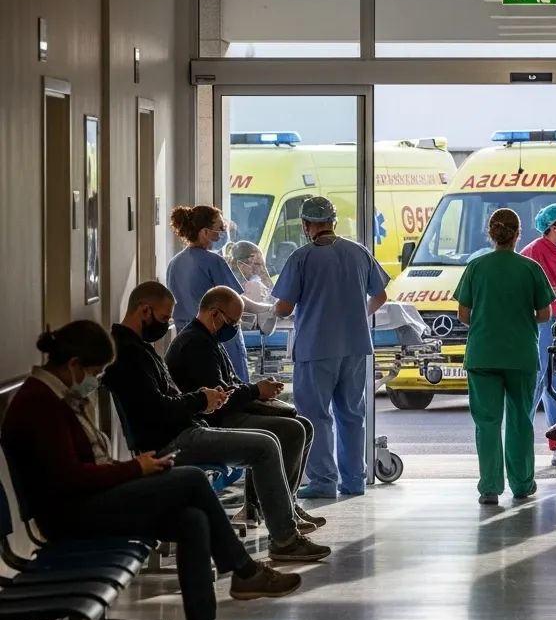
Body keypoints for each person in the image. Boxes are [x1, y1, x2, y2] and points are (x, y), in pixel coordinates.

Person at [1, 321, 302, 620]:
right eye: (95, 373)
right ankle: (244, 571)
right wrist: (134, 469)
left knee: (191, 520)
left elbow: (84, 468)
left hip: (89, 501)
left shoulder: (56, 396)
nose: (95, 382)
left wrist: (132, 469)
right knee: (191, 480)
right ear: (73, 366)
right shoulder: (40, 404)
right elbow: (71, 478)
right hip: (73, 515)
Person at [104, 281, 330, 563]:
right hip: (173, 441)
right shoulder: (130, 355)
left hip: (189, 428)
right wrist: (201, 400)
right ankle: (284, 537)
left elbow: (170, 398)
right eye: (163, 318)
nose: (166, 325)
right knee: (267, 445)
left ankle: (281, 523)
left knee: (277, 437)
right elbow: (158, 409)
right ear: (144, 310)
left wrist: (201, 399)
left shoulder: (142, 348)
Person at [165, 286, 325, 534]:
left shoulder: (210, 340)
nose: (235, 327)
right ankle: (278, 514)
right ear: (214, 313)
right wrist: (255, 392)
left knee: (304, 426)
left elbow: (230, 384)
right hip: (214, 420)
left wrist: (257, 388)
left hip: (226, 413)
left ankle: (286, 502)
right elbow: (219, 398)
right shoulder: (196, 345)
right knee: (291, 430)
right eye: (232, 321)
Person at [273, 196, 389, 499]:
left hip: (316, 348)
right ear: (333, 222)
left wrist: (273, 309)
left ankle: (323, 481)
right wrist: (356, 315)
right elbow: (380, 297)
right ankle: (353, 480)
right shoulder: (359, 253)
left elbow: (283, 308)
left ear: (306, 225)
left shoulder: (302, 257)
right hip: (354, 345)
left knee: (315, 416)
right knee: (351, 414)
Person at [454, 208, 554, 505]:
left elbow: (463, 314)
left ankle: (490, 487)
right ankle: (522, 484)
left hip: (483, 354)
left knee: (487, 422)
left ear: (491, 233)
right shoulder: (530, 268)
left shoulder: (476, 267)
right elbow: (545, 313)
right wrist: (517, 319)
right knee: (520, 420)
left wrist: (488, 321)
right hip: (520, 354)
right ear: (517, 234)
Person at [166, 205, 273, 384]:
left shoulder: (174, 263)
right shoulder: (213, 261)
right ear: (205, 232)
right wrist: (267, 309)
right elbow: (236, 301)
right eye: (220, 227)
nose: (223, 232)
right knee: (234, 391)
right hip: (219, 338)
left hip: (186, 340)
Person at [519, 203, 556, 433]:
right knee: (544, 377)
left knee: (552, 381)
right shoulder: (536, 251)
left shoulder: (555, 253)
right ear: (554, 228)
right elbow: (541, 289)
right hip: (545, 322)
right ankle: (524, 428)